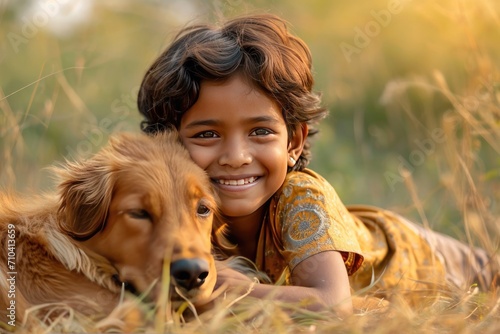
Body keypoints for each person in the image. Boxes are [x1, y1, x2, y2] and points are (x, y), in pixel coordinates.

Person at [136, 13, 498, 316]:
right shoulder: (172, 213)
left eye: (260, 131)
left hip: (427, 256)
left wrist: (239, 293)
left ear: (293, 142)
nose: (236, 157)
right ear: (168, 143)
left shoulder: (300, 196)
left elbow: (334, 304)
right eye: (207, 135)